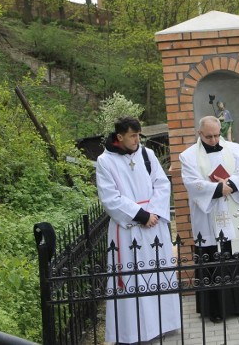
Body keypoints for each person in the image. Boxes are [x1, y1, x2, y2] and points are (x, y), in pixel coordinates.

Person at [96, 117, 180, 344]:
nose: (136, 140)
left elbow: (162, 184)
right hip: (129, 229)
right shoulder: (105, 161)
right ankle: (133, 332)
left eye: (138, 135)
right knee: (132, 277)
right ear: (119, 136)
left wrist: (153, 213)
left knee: (157, 271)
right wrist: (141, 215)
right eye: (132, 136)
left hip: (154, 225)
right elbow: (110, 197)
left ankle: (163, 323)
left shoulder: (147, 154)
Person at [179, 116, 239, 323]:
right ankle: (215, 309)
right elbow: (192, 183)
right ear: (200, 134)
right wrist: (216, 188)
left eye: (217, 135)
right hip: (208, 215)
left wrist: (229, 183)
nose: (214, 140)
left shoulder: (235, 148)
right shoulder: (187, 156)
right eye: (209, 136)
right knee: (212, 259)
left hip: (232, 210)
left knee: (235, 255)